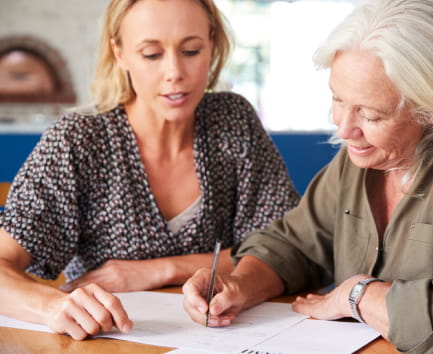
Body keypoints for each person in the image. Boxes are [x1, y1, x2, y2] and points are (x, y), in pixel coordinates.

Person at [182, 0, 433, 352]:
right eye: (337, 100)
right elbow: (295, 245)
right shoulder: (362, 158)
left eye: (371, 115)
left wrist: (356, 295)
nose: (345, 128)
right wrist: (240, 284)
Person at [0, 0, 299, 341]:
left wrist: (157, 270)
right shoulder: (78, 140)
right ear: (120, 53)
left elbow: (288, 249)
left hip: (230, 339)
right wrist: (52, 307)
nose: (174, 72)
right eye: (151, 54)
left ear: (212, 44)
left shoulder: (233, 121)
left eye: (190, 50)